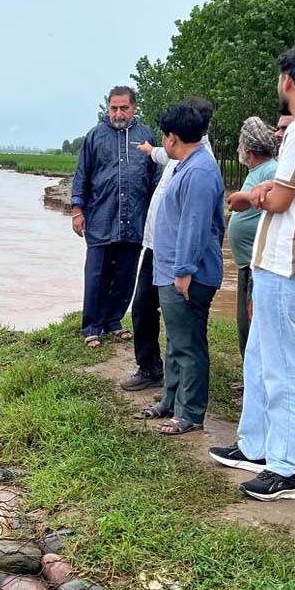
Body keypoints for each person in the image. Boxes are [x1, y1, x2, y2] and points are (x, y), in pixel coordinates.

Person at [208, 46, 295, 502]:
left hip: (289, 265)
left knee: (284, 367)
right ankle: (254, 446)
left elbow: (283, 199)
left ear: (288, 80)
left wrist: (256, 196)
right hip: (279, 264)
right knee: (260, 359)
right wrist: (267, 191)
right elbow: (288, 188)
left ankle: (284, 469)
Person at [132, 103, 224, 435]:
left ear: (172, 137)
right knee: (175, 340)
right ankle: (170, 400)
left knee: (189, 344)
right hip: (172, 270)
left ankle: (190, 412)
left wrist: (184, 270)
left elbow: (195, 227)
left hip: (186, 274)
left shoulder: (199, 171)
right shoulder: (188, 164)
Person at [121, 97, 214, 391]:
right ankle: (156, 374)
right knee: (146, 308)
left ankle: (182, 398)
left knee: (180, 326)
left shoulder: (199, 164)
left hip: (175, 255)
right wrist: (150, 151)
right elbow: (162, 154)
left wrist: (184, 268)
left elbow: (194, 223)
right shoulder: (181, 156)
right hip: (156, 247)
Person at [70, 86, 160, 348]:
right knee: (97, 274)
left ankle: (114, 320)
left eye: (124, 108)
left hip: (134, 218)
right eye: (114, 108)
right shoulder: (95, 136)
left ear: (134, 108)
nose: (118, 113)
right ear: (108, 109)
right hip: (101, 217)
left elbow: (154, 178)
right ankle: (91, 326)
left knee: (125, 273)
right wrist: (77, 210)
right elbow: (81, 175)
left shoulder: (145, 136)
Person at [225, 117, 278, 358]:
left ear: (247, 149)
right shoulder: (257, 171)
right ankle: (249, 380)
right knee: (245, 324)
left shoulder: (271, 171)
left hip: (260, 265)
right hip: (248, 263)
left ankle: (257, 384)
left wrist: (243, 198)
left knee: (254, 323)